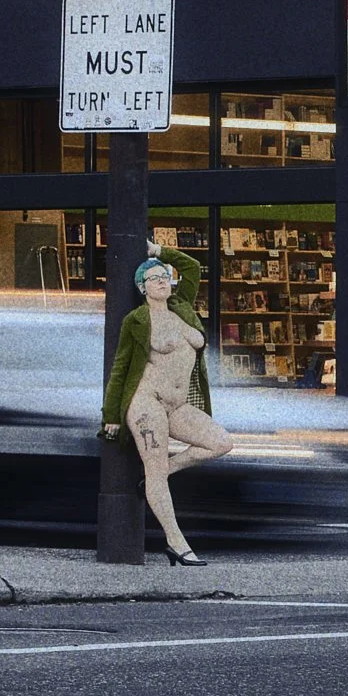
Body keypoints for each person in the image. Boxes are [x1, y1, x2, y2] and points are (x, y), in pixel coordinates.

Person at [101, 240, 232, 565]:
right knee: (154, 467)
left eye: (164, 276)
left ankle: (161, 473)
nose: (162, 281)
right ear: (142, 288)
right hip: (147, 401)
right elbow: (120, 367)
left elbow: (191, 267)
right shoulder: (137, 319)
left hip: (177, 403)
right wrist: (111, 415)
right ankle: (176, 541)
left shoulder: (181, 305)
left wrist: (158, 251)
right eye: (154, 278)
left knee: (221, 442)